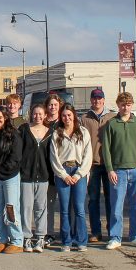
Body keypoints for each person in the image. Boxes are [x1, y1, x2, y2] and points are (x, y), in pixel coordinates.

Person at [100, 91, 136, 250]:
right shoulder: (112, 124)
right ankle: (115, 237)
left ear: (132, 105)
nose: (125, 107)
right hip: (118, 172)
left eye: (128, 105)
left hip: (135, 171)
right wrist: (110, 169)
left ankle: (135, 236)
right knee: (116, 206)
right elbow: (106, 149)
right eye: (122, 104)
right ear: (118, 105)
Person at [51, 105, 92, 252]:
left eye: (69, 115)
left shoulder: (83, 132)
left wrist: (78, 174)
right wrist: (64, 175)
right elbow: (54, 158)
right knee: (64, 209)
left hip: (78, 171)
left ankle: (81, 240)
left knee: (79, 208)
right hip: (63, 172)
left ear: (73, 115)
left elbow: (88, 156)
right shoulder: (57, 134)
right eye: (63, 116)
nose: (66, 118)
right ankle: (66, 241)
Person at [0, 106, 24, 253]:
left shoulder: (14, 134)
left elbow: (16, 157)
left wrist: (3, 170)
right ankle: (1, 239)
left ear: (6, 118)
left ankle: (17, 241)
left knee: (11, 209)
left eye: (0, 117)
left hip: (10, 177)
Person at [81, 88, 114, 243]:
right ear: (91, 100)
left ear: (104, 100)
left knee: (110, 199)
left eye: (99, 98)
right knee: (93, 199)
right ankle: (95, 231)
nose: (97, 101)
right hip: (92, 165)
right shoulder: (84, 118)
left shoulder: (112, 116)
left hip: (109, 165)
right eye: (94, 98)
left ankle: (112, 231)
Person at [19, 103, 52, 253]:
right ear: (31, 114)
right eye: (35, 113)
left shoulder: (50, 132)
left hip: (43, 176)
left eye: (40, 114)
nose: (37, 116)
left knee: (41, 208)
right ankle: (26, 238)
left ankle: (40, 237)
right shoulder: (24, 130)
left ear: (45, 115)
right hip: (26, 176)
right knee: (26, 208)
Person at [42, 93, 63, 245]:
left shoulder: (65, 122)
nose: (53, 107)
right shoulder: (42, 123)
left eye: (55, 104)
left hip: (63, 171)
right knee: (48, 205)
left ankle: (67, 232)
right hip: (47, 170)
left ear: (59, 106)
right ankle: (49, 232)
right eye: (50, 105)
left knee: (65, 204)